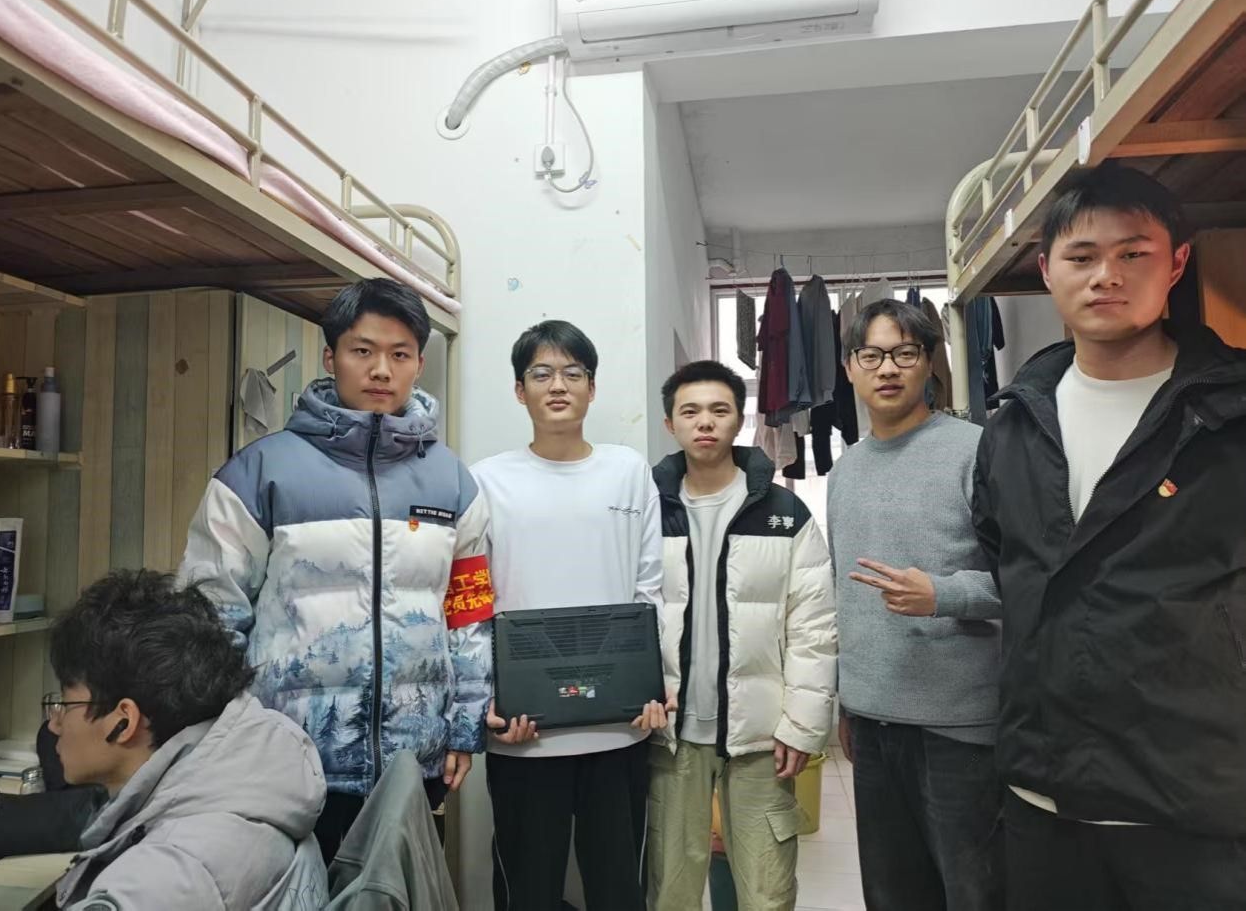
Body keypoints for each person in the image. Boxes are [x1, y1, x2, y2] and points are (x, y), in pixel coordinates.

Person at [972, 163, 1246, 910]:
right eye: (1082, 256)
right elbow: (1009, 564)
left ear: (1177, 264)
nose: (1106, 276)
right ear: (1047, 270)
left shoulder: (1230, 413)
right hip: (1044, 793)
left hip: (1192, 801)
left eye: (1133, 254)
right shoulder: (1014, 422)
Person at [179, 278, 493, 862]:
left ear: (419, 365)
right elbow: (209, 615)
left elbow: (468, 615)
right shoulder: (258, 471)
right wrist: (223, 734)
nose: (381, 370)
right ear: (331, 358)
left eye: (399, 354)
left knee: (394, 895)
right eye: (362, 350)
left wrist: (464, 726)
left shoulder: (452, 480)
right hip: (284, 760)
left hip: (411, 761)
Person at [470, 320, 666, 911]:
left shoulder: (628, 470)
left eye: (573, 373)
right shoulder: (486, 480)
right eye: (542, 373)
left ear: (592, 388)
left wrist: (655, 684)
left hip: (619, 727)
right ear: (519, 390)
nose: (558, 385)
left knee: (619, 890)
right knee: (527, 891)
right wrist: (487, 699)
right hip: (525, 733)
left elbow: (649, 590)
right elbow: (474, 604)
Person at [828, 299, 1004, 911]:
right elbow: (844, 598)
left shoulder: (978, 450)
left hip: (959, 726)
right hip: (871, 722)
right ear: (849, 367)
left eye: (904, 353)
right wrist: (846, 701)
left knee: (974, 892)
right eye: (871, 355)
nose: (887, 369)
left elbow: (1029, 578)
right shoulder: (844, 471)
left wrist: (943, 594)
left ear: (929, 362)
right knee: (892, 894)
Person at [647, 360, 836, 911]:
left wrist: (803, 726)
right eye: (690, 412)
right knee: (670, 890)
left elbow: (814, 628)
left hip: (761, 738)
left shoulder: (784, 512)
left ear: (738, 421)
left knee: (766, 891)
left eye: (719, 410)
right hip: (670, 737)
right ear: (670, 424)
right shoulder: (645, 512)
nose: (705, 422)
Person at [47, 570, 327, 910]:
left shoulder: (173, 873)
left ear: (123, 722)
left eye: (64, 704)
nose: (54, 724)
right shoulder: (254, 776)